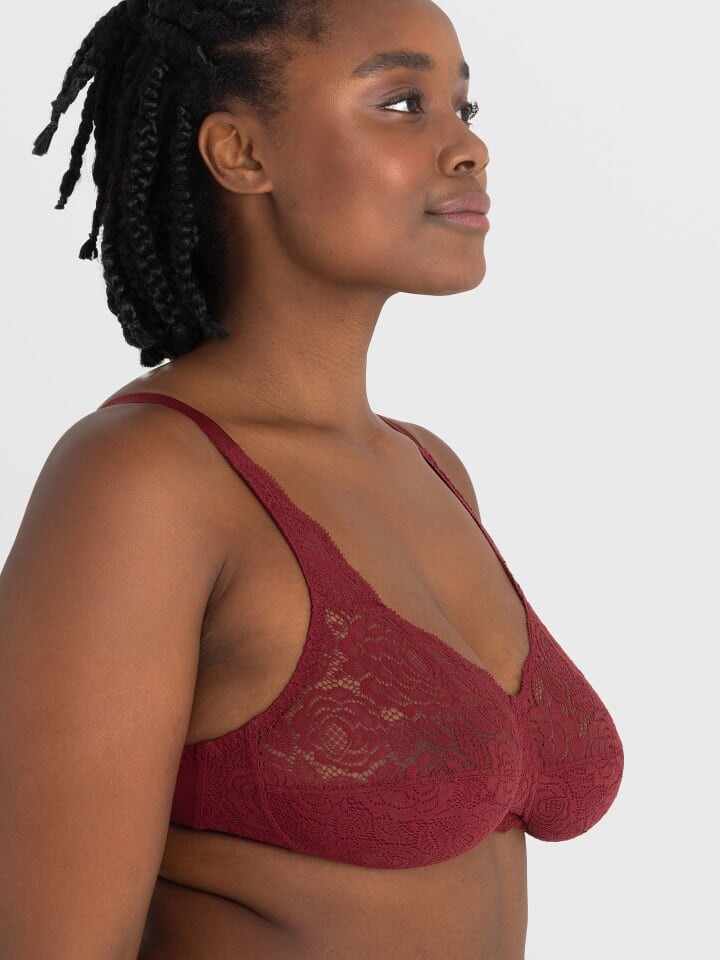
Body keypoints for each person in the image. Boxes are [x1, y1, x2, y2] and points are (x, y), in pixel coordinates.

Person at [1, 1, 624, 958]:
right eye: (403, 103)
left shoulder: (429, 467)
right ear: (241, 152)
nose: (470, 149)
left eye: (464, 107)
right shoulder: (144, 481)